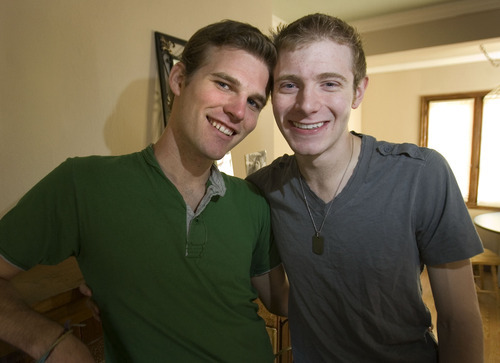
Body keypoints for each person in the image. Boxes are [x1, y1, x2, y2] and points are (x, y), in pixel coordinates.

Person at [0, 20, 288, 362]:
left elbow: (281, 300)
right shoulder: (83, 183)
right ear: (179, 79)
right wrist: (53, 342)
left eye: (254, 102)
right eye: (224, 84)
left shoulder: (252, 201)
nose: (238, 111)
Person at [247, 13, 484, 363]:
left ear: (358, 91)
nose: (307, 104)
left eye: (329, 83)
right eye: (289, 84)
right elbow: (280, 299)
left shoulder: (421, 175)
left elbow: (457, 320)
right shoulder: (262, 190)